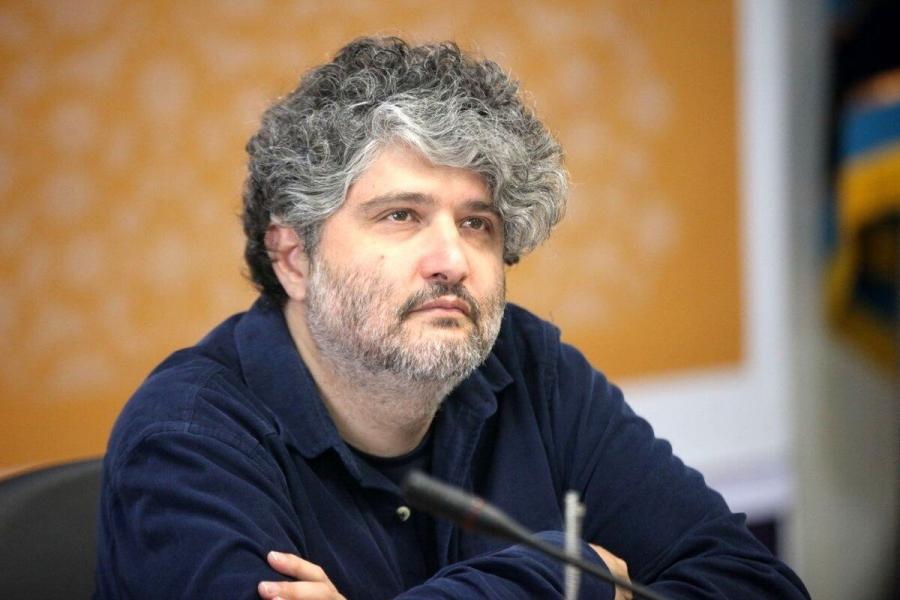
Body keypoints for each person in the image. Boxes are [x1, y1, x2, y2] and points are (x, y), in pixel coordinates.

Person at [94, 37, 809, 600]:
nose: (453, 261)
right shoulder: (186, 438)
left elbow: (755, 583)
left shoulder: (529, 367)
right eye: (401, 216)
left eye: (477, 224)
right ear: (294, 259)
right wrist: (567, 577)